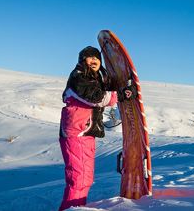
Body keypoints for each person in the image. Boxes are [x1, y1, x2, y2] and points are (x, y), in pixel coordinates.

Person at [58, 46, 136, 210]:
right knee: (79, 179)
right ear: (82, 61)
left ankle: (76, 208)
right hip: (77, 133)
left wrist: (119, 83)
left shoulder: (92, 78)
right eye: (89, 57)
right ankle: (71, 209)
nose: (94, 60)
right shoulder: (79, 77)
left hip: (85, 132)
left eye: (96, 58)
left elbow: (102, 90)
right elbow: (97, 97)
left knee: (85, 178)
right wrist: (122, 94)